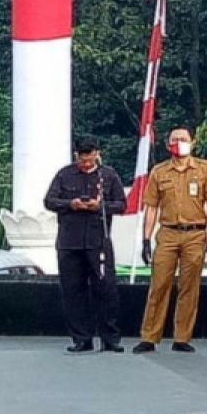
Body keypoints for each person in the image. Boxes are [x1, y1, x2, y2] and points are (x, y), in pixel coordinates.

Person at [134, 127, 207, 354]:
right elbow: (151, 207)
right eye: (174, 139)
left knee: (189, 286)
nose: (179, 143)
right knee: (159, 284)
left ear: (192, 142)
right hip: (168, 233)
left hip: (195, 232)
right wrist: (146, 239)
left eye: (183, 139)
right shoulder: (159, 172)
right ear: (167, 144)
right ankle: (149, 336)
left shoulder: (204, 169)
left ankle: (182, 337)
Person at [43, 138, 127, 354]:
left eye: (90, 158)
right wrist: (70, 204)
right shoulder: (64, 174)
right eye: (82, 158)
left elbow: (122, 205)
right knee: (73, 292)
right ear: (76, 155)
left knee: (106, 290)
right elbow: (49, 201)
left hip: (98, 241)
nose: (86, 162)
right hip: (69, 242)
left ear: (97, 154)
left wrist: (100, 206)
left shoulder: (108, 175)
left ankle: (110, 338)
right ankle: (82, 338)